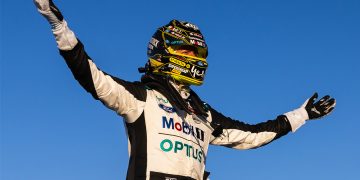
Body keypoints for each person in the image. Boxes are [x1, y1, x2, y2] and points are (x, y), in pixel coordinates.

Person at [34, 0, 336, 179]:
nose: (196, 59)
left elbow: (253, 136)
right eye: (189, 52)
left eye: (198, 54)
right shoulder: (141, 99)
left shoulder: (203, 114)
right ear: (165, 53)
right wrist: (58, 26)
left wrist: (302, 115)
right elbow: (91, 76)